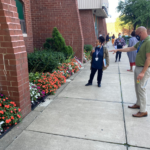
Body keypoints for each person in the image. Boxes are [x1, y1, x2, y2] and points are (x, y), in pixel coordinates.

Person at [110, 26, 150, 117]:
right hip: (138, 68)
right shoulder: (141, 42)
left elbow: (149, 58)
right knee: (137, 87)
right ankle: (138, 103)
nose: (136, 36)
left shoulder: (148, 42)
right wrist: (118, 50)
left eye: (137, 34)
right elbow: (130, 48)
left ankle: (143, 111)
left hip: (144, 69)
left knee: (141, 89)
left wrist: (143, 72)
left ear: (141, 33)